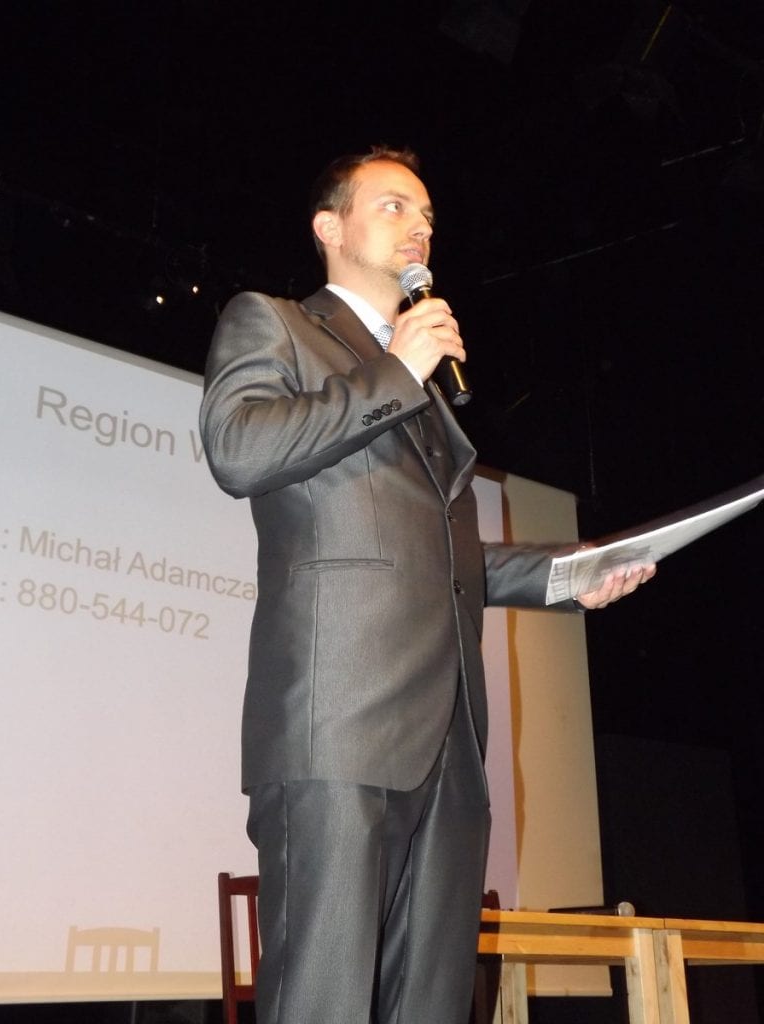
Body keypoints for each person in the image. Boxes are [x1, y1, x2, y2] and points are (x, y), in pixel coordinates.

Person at [199, 146, 655, 1024]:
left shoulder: (423, 389)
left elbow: (447, 560)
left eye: (428, 216)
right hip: (339, 727)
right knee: (324, 1001)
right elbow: (238, 450)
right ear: (329, 228)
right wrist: (397, 371)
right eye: (394, 206)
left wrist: (575, 574)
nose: (420, 226)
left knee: (432, 1005)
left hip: (447, 739)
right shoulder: (275, 324)